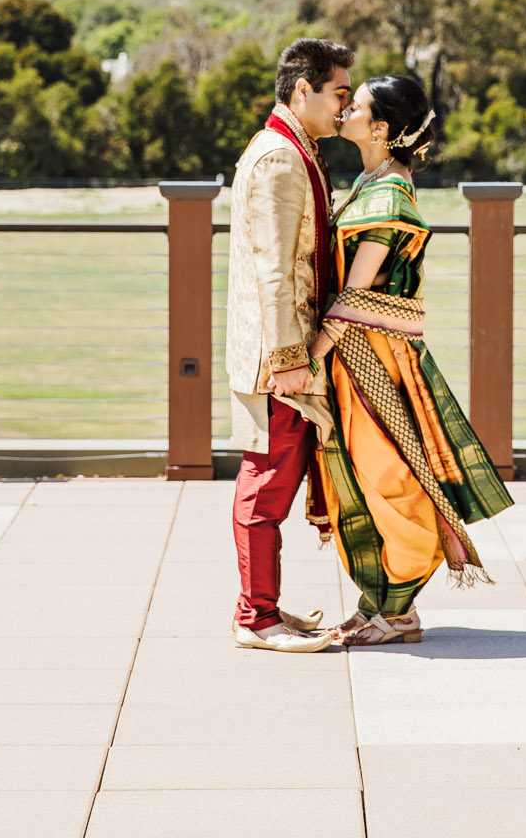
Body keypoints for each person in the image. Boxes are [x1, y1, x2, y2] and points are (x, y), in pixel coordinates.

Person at [309, 73, 513, 645]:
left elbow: (354, 295)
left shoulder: (388, 196)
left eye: (356, 105)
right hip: (359, 352)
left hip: (371, 356)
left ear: (380, 128)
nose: (343, 108)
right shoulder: (370, 181)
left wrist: (309, 356)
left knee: (388, 475)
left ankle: (398, 607)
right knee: (358, 471)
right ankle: (377, 602)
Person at [225, 38, 353, 653]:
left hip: (285, 352)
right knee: (266, 484)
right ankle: (256, 619)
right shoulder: (279, 157)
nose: (343, 108)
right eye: (338, 94)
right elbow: (275, 269)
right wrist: (289, 361)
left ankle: (263, 608)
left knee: (271, 480)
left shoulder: (287, 147)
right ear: (303, 90)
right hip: (278, 359)